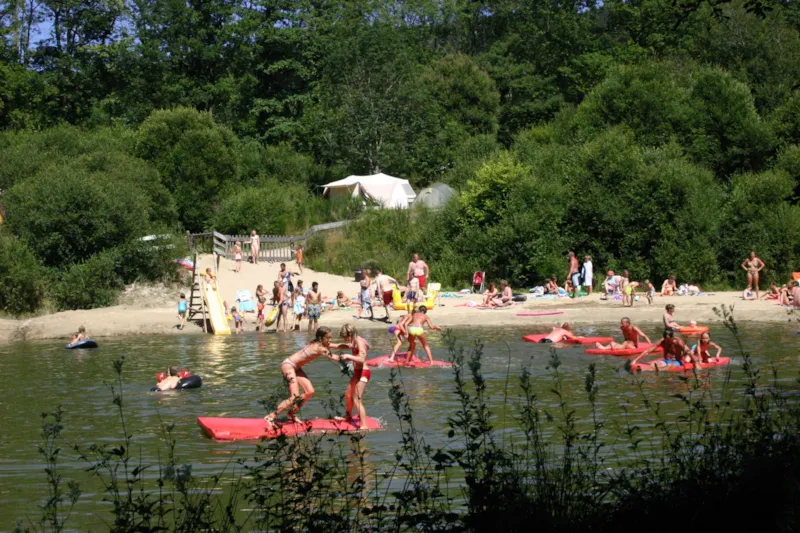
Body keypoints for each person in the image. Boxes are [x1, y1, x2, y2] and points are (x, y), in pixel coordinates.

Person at [264, 327, 338, 426]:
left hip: (296, 367)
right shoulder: (319, 348)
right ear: (321, 338)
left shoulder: (317, 343)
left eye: (331, 338)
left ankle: (291, 413)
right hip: (288, 366)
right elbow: (336, 357)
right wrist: (355, 359)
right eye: (328, 338)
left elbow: (336, 345)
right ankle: (271, 416)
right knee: (294, 397)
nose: (330, 340)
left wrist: (352, 345)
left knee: (310, 391)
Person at [334, 324, 371, 426]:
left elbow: (362, 359)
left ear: (350, 334)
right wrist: (327, 345)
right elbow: (345, 345)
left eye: (345, 337)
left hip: (364, 373)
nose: (345, 339)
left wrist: (349, 356)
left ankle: (364, 426)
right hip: (357, 373)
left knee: (356, 398)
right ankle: (348, 417)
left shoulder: (359, 341)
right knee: (348, 395)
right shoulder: (355, 340)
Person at [629, 329, 697, 371]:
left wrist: (696, 363)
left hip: (677, 361)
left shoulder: (678, 342)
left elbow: (688, 351)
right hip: (666, 360)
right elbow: (648, 351)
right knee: (653, 364)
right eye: (666, 339)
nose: (667, 341)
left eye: (669, 339)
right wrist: (635, 360)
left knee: (670, 366)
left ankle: (657, 370)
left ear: (672, 337)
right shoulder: (662, 342)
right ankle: (645, 371)